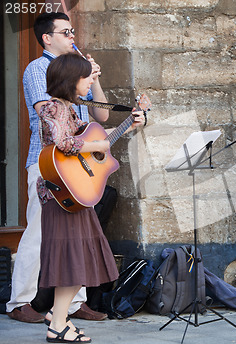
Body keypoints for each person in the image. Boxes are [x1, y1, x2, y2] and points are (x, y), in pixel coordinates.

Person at [7, 12, 110, 323]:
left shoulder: (77, 72)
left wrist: (94, 78)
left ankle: (73, 303)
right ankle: (20, 301)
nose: (72, 37)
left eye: (73, 31)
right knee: (40, 232)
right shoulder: (38, 69)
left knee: (72, 236)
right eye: (65, 32)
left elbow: (102, 115)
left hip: (77, 167)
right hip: (48, 164)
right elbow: (47, 114)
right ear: (46, 38)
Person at [38, 53, 145, 343]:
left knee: (78, 260)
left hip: (77, 191)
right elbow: (65, 143)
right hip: (62, 195)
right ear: (72, 80)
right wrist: (96, 143)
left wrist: (128, 126)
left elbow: (92, 141)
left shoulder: (71, 109)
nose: (89, 83)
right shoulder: (53, 108)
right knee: (70, 260)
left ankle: (59, 318)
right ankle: (57, 323)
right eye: (87, 78)